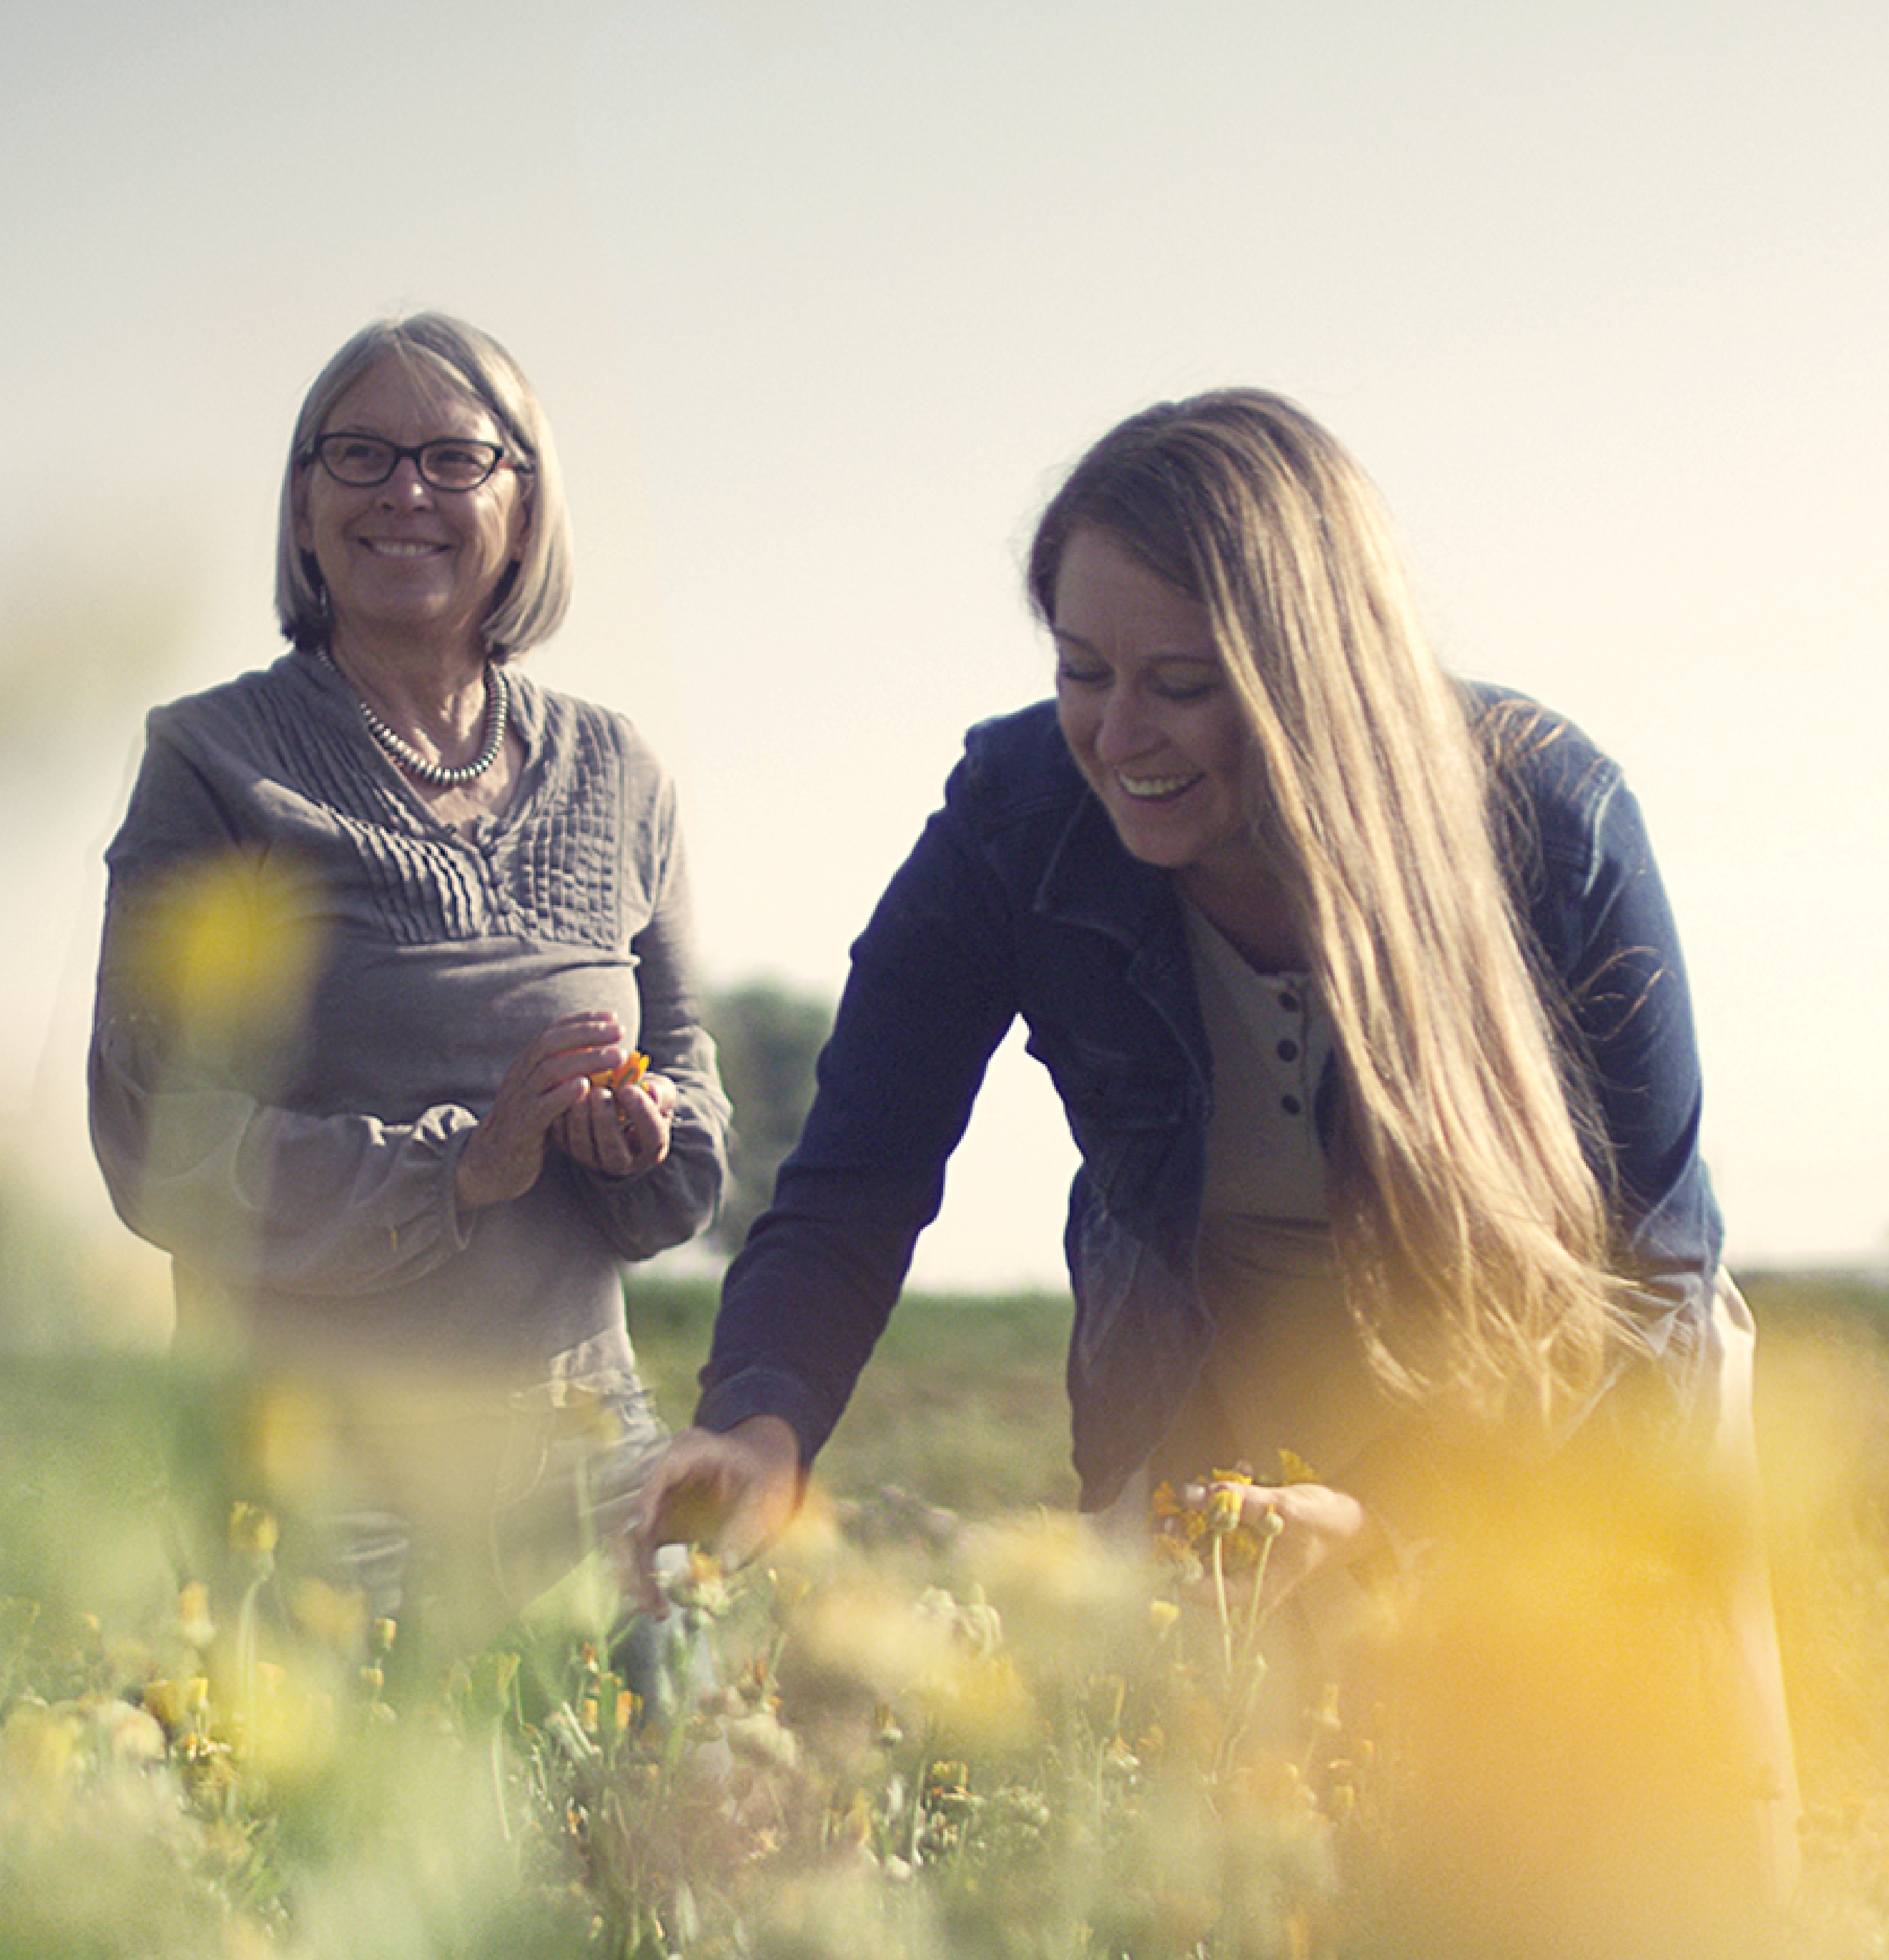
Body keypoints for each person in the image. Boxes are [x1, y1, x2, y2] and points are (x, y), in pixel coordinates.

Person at [634, 390, 1798, 1953]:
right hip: (1212, 1377)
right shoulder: (1015, 823)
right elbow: (859, 1168)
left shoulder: (1552, 821)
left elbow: (1651, 1290)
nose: (1118, 735)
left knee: (1635, 1866)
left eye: (1182, 684)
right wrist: (761, 1415)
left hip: (1567, 1387)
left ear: (1314, 677)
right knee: (1221, 1864)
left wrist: (1413, 1538)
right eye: (1082, 672)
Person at [91, 313, 727, 1675]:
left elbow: (694, 1107)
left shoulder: (620, 772)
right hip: (325, 1475)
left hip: (580, 1456)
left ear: (524, 505)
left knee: (650, 1871)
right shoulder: (210, 764)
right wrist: (462, 1166)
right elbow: (157, 1143)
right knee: (327, 1878)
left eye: (455, 458)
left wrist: (647, 1135)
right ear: (305, 507)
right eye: (362, 455)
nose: (406, 494)